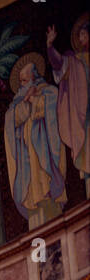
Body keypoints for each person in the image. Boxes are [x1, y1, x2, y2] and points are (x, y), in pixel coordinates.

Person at [4, 55, 66, 229]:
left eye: (26, 80)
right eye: (21, 81)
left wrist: (34, 99)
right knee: (34, 200)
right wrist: (25, 101)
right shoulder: (17, 102)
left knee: (47, 195)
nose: (23, 84)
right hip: (27, 159)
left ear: (35, 77)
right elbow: (12, 119)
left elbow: (52, 110)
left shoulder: (48, 91)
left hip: (44, 152)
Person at [47, 18, 89, 188]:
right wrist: (50, 47)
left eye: (84, 34)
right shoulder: (76, 60)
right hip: (86, 116)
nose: (81, 39)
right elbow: (59, 64)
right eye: (79, 35)